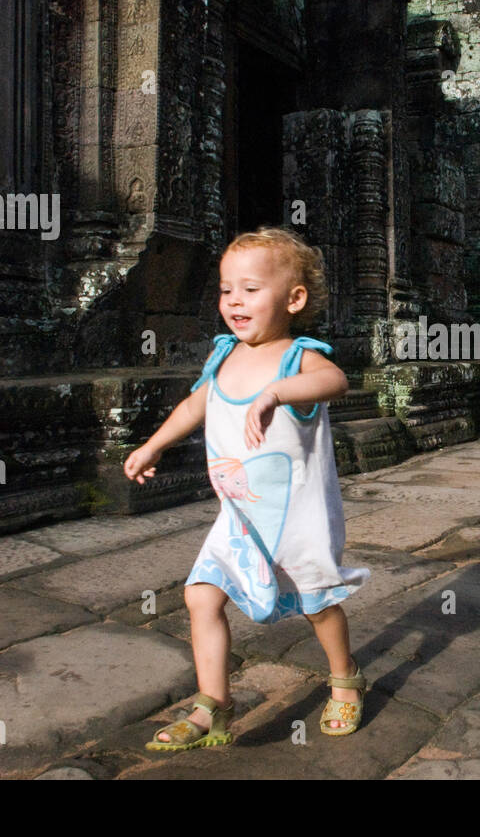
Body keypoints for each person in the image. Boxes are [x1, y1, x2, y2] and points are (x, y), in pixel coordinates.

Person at [123, 225, 370, 749]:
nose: (235, 300)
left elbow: (336, 381)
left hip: (296, 520)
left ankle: (345, 678)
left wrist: (276, 394)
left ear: (294, 298)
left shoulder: (296, 358)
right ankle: (213, 704)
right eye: (226, 288)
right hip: (239, 519)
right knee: (200, 597)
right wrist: (153, 445)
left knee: (317, 603)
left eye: (251, 289)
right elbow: (196, 405)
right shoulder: (223, 356)